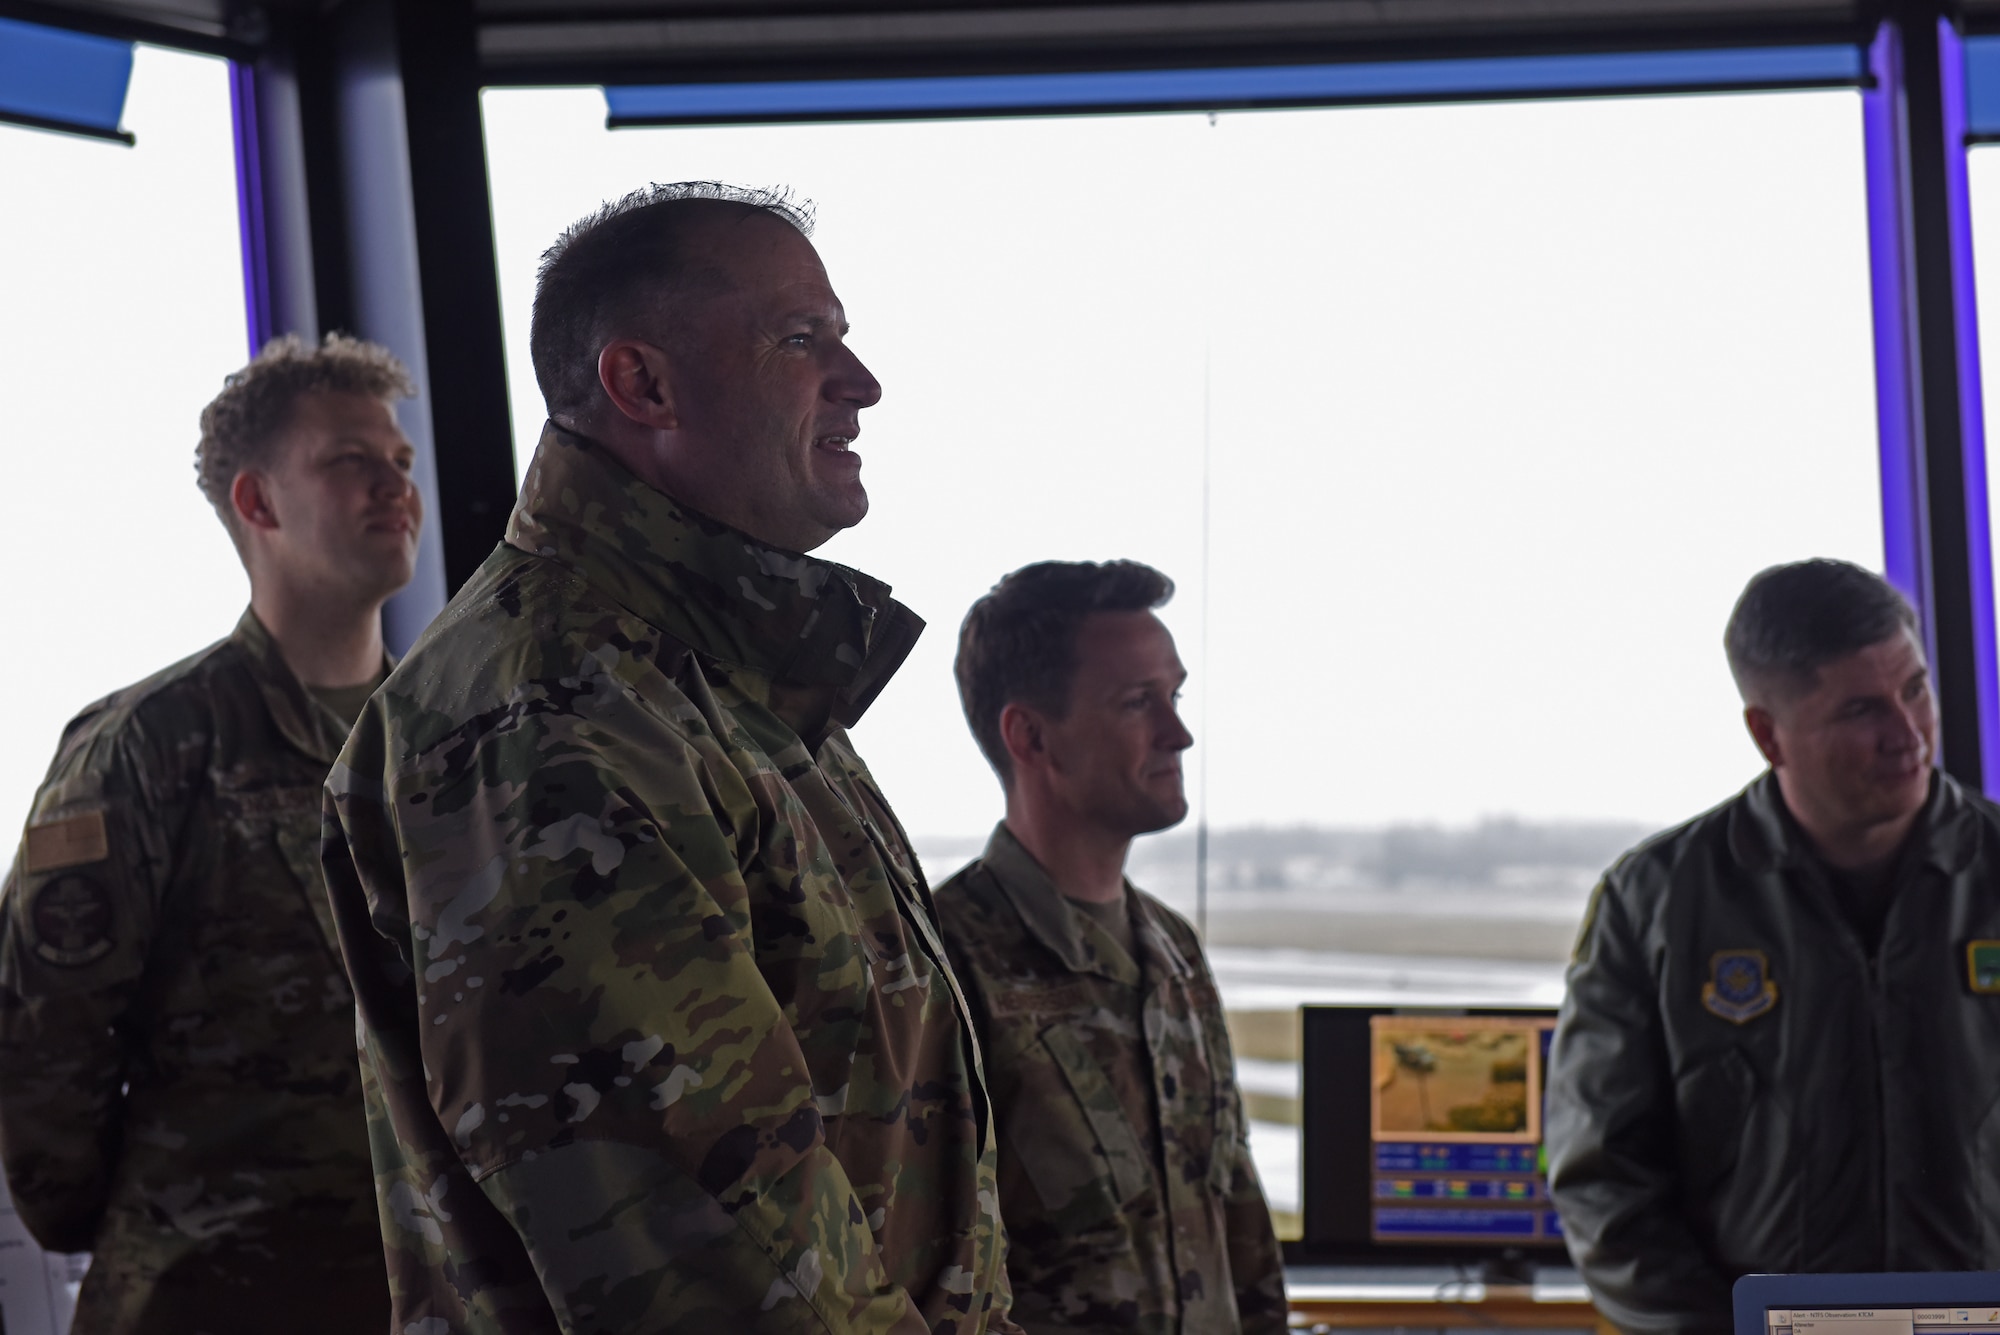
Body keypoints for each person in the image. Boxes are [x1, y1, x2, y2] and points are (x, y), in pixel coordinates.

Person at [319, 182, 1017, 1333]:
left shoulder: (719, 683)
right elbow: (719, 1272)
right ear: (642, 385)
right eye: (802, 343)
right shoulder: (553, 720)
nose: (860, 385)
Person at [0, 333, 419, 1331]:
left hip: (425, 1287)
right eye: (348, 462)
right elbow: (42, 1037)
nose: (392, 485)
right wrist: (163, 1215)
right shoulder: (152, 742)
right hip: (210, 1290)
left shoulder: (449, 739)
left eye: (399, 462)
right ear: (258, 502)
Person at [1546, 558, 2000, 1335]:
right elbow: (1601, 1177)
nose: (1907, 733)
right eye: (1861, 709)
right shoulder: (1656, 903)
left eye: (1915, 689)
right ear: (1767, 734)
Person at [932, 560, 1287, 1335]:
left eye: (1176, 696)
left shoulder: (1173, 951)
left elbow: (1241, 1236)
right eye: (1138, 703)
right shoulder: (940, 965)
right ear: (1030, 735)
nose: (1178, 732)